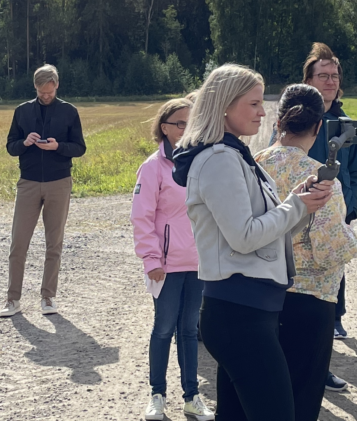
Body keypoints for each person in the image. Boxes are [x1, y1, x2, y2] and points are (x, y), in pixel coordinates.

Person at [171, 64, 333, 421]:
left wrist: (300, 204)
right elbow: (244, 238)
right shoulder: (219, 159)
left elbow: (264, 236)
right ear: (225, 106)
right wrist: (295, 205)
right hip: (239, 314)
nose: (264, 112)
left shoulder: (234, 155)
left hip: (246, 311)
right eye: (255, 103)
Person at [254, 84, 357, 421]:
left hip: (256, 297)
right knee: (299, 402)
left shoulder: (250, 167)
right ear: (318, 127)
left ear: (278, 119)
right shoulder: (321, 178)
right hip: (310, 301)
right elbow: (330, 250)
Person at [132, 98, 214, 421]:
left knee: (190, 330)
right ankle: (157, 395)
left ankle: (192, 397)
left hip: (198, 264)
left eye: (191, 122)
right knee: (164, 329)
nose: (186, 128)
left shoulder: (201, 163)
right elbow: (141, 217)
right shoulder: (152, 168)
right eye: (180, 123)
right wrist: (150, 258)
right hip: (164, 266)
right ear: (164, 127)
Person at [300, 41, 357, 392]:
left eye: (334, 76)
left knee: (328, 293)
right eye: (322, 75)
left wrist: (348, 209)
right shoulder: (295, 118)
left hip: (335, 217)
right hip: (297, 215)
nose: (329, 81)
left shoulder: (345, 123)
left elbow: (354, 172)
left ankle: (321, 366)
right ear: (308, 80)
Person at [1, 64, 87, 317]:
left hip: (59, 182)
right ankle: (12, 300)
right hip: (27, 183)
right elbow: (10, 146)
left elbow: (79, 148)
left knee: (54, 244)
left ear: (56, 85)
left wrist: (58, 146)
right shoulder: (22, 111)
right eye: (41, 92)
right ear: (35, 88)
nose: (45, 96)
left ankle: (48, 297)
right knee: (18, 243)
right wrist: (24, 143)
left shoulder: (69, 112)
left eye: (49, 92)